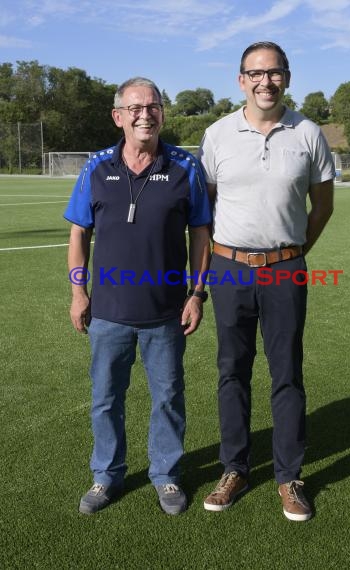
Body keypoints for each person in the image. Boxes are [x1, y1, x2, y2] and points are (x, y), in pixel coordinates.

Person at [198, 41, 334, 521]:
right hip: (229, 266)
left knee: (287, 372)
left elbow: (323, 206)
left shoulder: (309, 133)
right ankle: (234, 468)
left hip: (285, 268)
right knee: (231, 369)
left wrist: (294, 253)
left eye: (274, 73)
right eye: (255, 74)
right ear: (241, 80)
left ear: (287, 77)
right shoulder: (216, 135)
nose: (265, 82)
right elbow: (204, 210)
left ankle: (288, 476)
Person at [64, 77, 211, 516]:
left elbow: (201, 234)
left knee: (168, 396)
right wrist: (78, 291)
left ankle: (166, 476)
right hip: (108, 313)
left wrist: (197, 293)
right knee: (106, 398)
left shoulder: (187, 168)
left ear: (162, 114)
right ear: (118, 116)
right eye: (135, 107)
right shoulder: (96, 168)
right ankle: (106, 475)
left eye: (153, 106)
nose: (145, 114)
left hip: (166, 313)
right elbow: (78, 233)